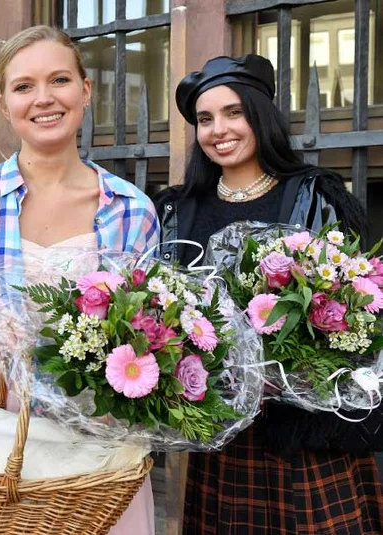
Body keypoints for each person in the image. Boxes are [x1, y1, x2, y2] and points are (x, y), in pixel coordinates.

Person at [0, 25, 159, 535]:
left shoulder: (132, 210)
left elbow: (151, 342)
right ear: (5, 104)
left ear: (86, 91)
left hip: (99, 440)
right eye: (24, 86)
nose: (44, 99)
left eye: (60, 80)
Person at [154, 54, 383, 534]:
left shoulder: (314, 195)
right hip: (223, 436)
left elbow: (351, 308)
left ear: (260, 114)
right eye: (205, 119)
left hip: (307, 434)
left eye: (233, 112)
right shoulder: (179, 209)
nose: (219, 129)